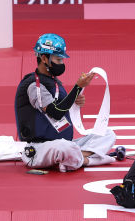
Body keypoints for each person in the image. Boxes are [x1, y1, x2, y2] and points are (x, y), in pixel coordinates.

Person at [14, 33, 120, 172]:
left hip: (66, 144)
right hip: (39, 149)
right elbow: (56, 113)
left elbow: (58, 109)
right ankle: (87, 159)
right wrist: (77, 87)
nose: (62, 64)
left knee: (107, 134)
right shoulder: (34, 86)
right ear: (45, 58)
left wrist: (74, 102)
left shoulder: (53, 82)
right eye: (58, 60)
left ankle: (74, 158)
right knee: (64, 147)